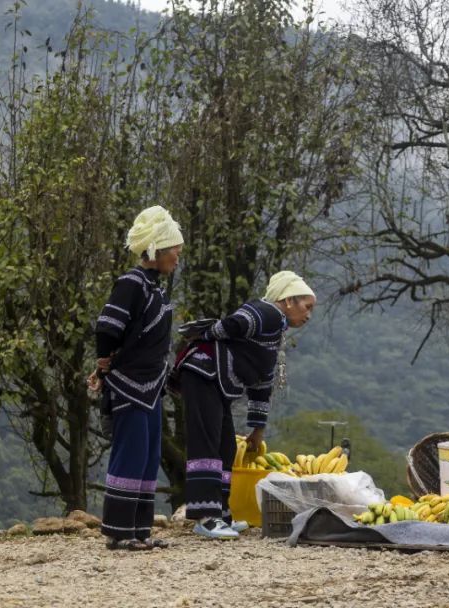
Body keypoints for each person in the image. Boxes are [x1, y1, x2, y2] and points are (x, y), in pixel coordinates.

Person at [174, 270, 316, 540]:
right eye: (306, 307)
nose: (308, 315)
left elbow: (262, 384)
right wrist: (207, 333)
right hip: (203, 374)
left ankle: (221, 513)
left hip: (215, 382)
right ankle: (205, 517)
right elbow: (239, 320)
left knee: (226, 445)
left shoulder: (275, 332)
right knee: (207, 442)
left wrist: (257, 429)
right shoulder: (268, 313)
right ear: (288, 301)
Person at [90, 205, 183, 551]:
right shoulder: (132, 283)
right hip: (130, 386)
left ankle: (138, 530)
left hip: (151, 387)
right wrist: (104, 363)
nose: (177, 255)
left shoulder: (154, 287)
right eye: (174, 248)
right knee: (130, 454)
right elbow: (108, 327)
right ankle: (118, 531)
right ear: (156, 250)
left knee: (146, 456)